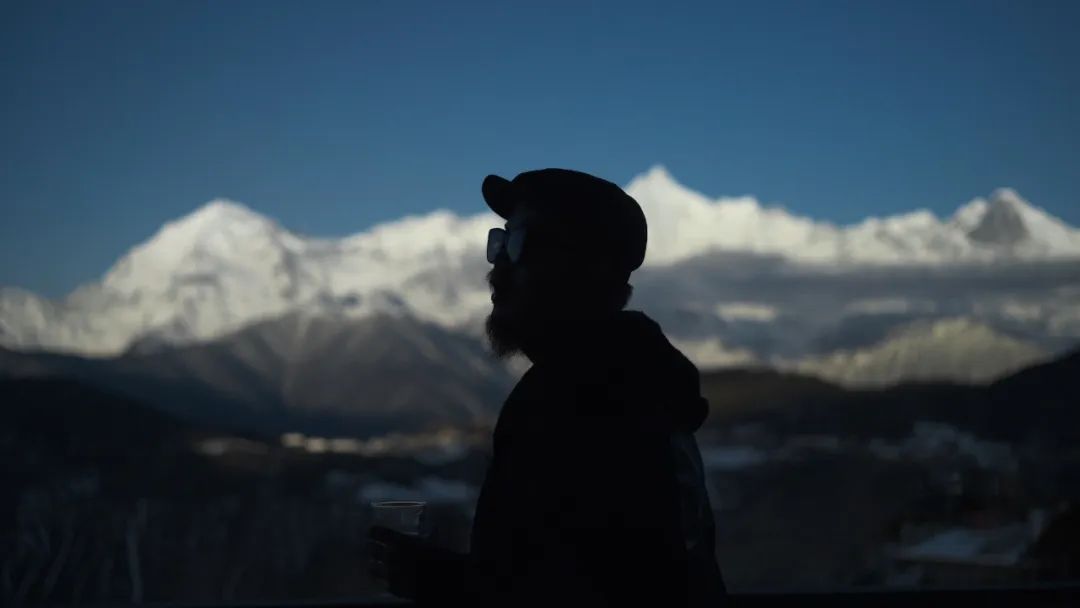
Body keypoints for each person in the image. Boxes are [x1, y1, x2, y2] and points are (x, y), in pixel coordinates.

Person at [370, 168, 726, 606]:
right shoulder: (641, 382)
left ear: (574, 268)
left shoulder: (576, 401)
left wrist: (435, 581)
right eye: (499, 242)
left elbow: (565, 594)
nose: (497, 264)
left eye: (517, 243)